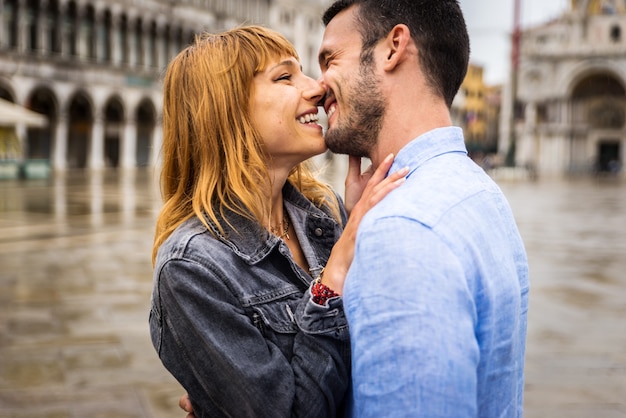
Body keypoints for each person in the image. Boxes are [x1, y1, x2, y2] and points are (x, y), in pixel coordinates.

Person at [149, 25, 407, 417]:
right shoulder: (190, 269)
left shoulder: (325, 212)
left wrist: (357, 221)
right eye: (285, 77)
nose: (317, 88)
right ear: (227, 110)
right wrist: (333, 277)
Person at [316, 0, 530, 417]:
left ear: (394, 48)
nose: (317, 85)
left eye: (330, 60)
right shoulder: (482, 194)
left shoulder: (401, 229)